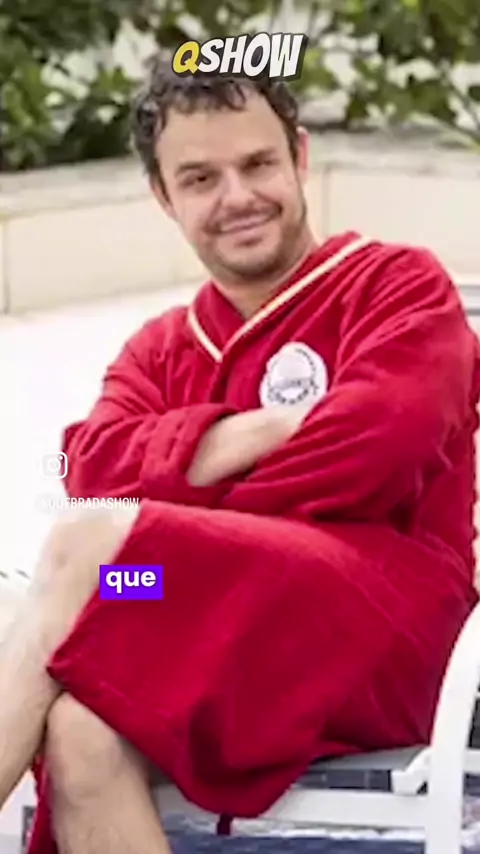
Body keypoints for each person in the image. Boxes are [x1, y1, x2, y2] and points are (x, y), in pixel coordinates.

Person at [0, 55, 479, 854]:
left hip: (389, 635)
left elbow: (375, 450)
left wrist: (170, 497)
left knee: (89, 550)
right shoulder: (160, 350)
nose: (237, 198)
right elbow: (91, 470)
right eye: (200, 179)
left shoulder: (397, 286)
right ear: (164, 197)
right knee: (82, 725)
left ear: (299, 156)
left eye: (257, 164)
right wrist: (264, 430)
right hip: (173, 599)